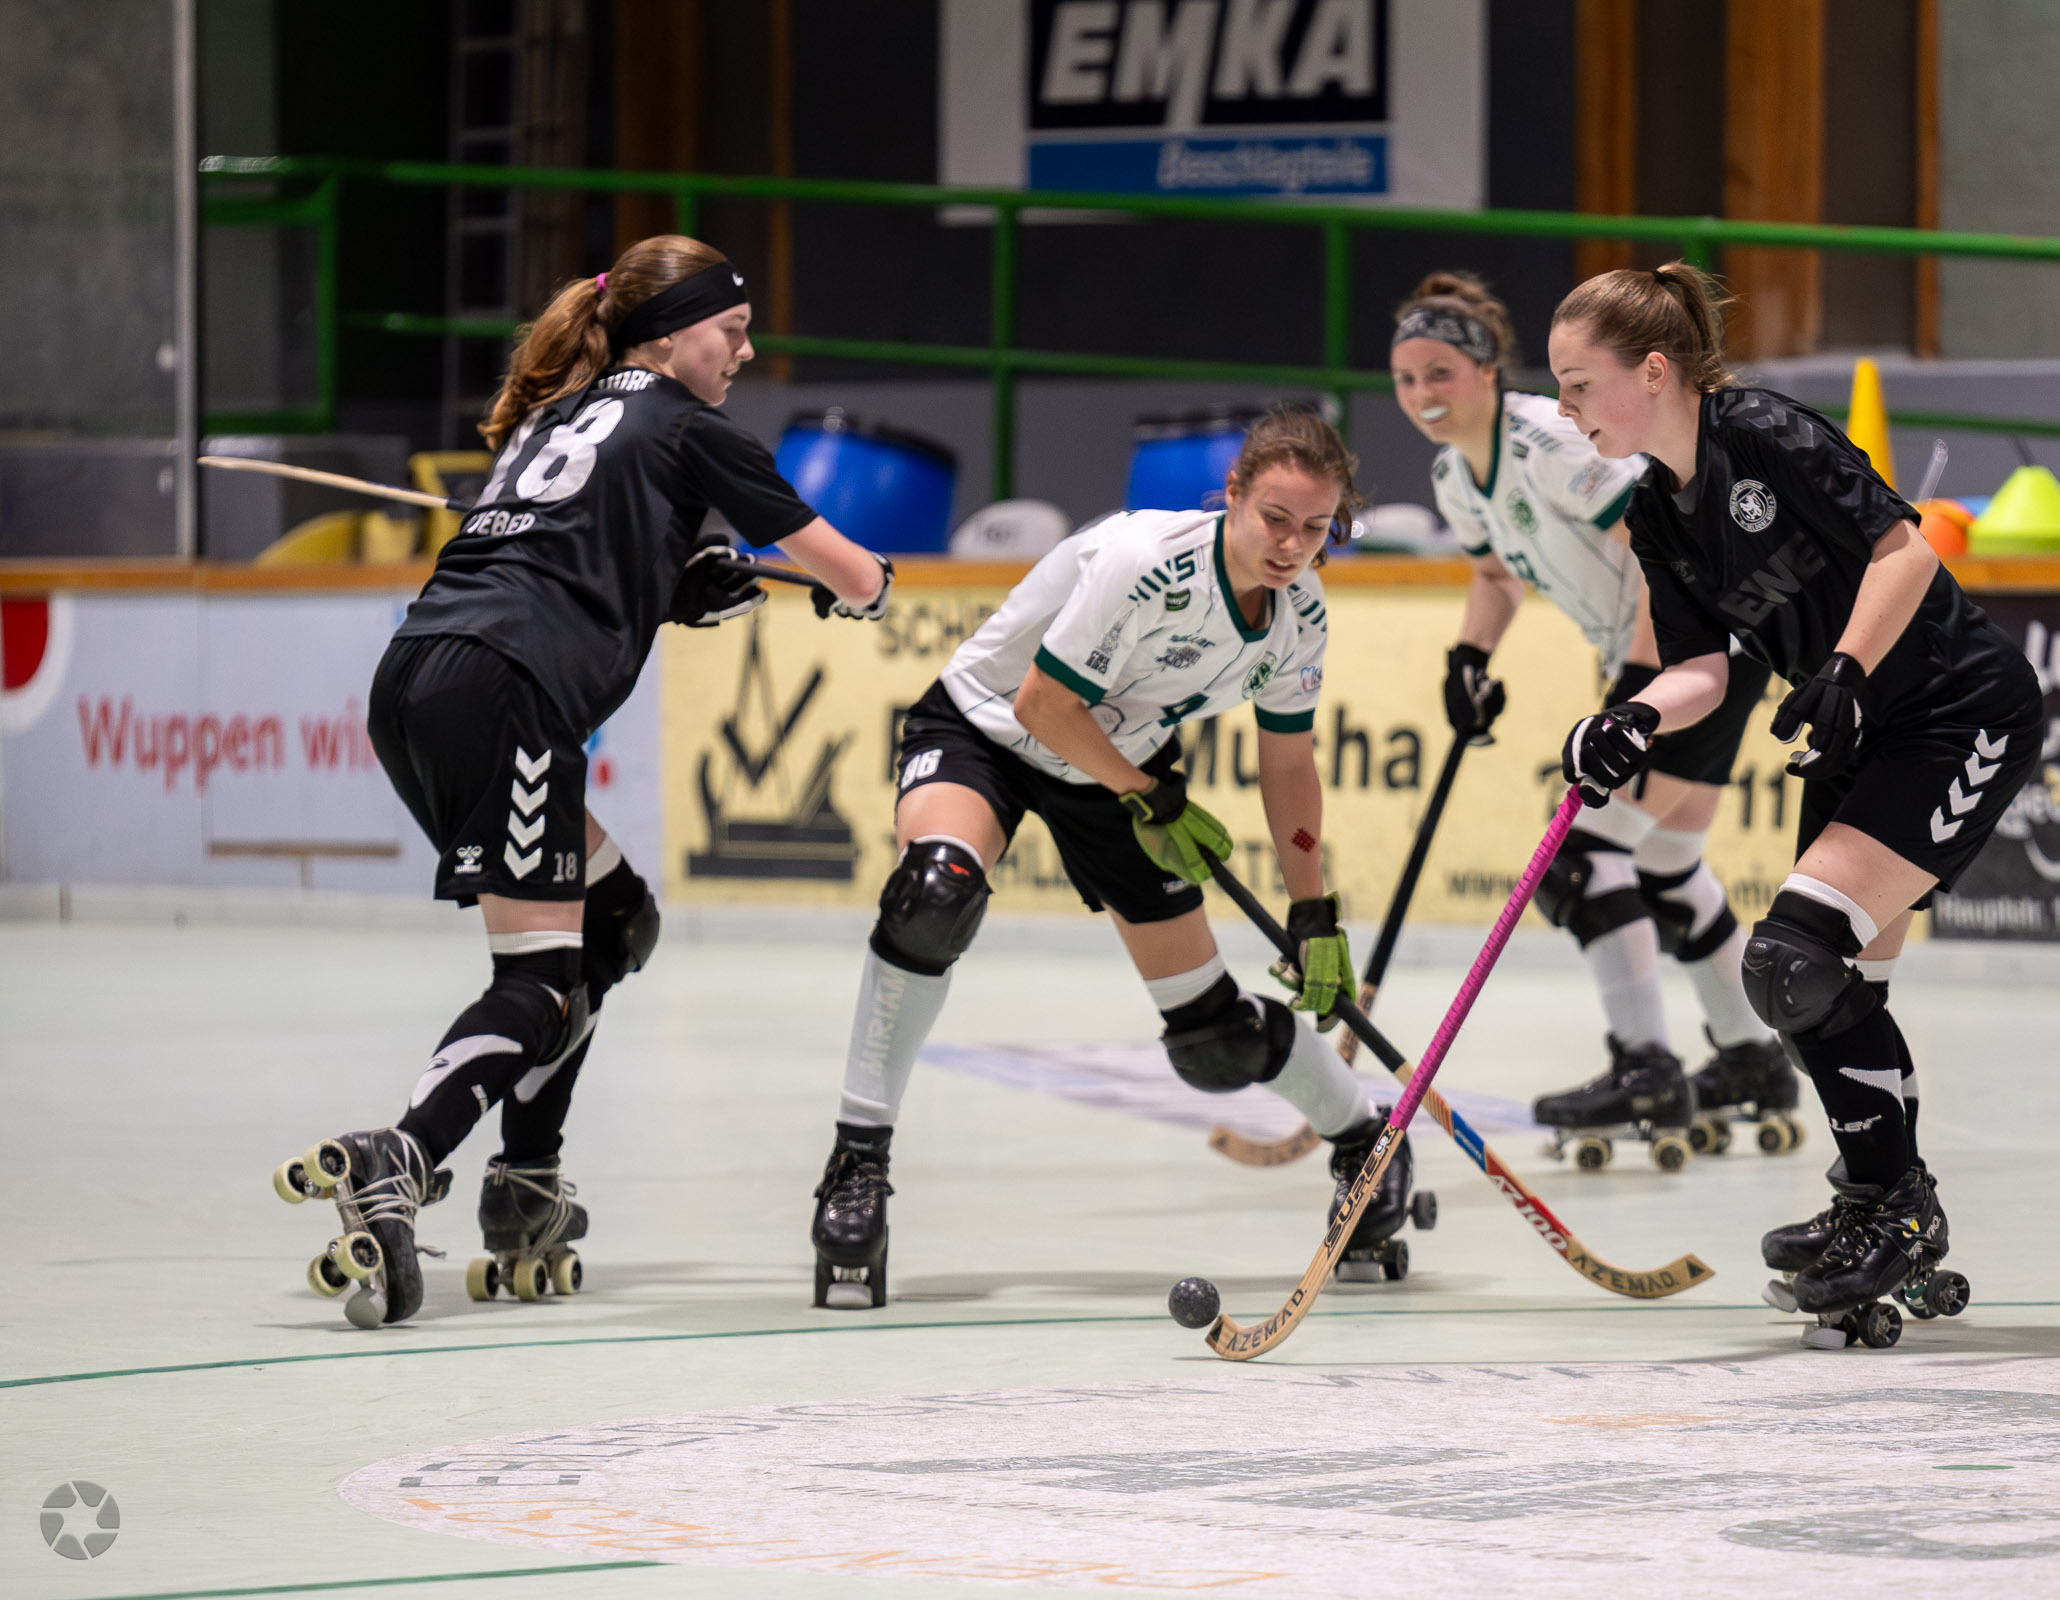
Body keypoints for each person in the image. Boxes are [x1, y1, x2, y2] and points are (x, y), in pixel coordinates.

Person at [273, 236, 891, 1329]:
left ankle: (527, 1181)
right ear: (671, 334)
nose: (746, 352)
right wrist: (870, 583)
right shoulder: (692, 426)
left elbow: (569, 554)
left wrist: (672, 586)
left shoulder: (558, 416)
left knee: (613, 924)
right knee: (538, 981)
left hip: (418, 680)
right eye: (732, 330)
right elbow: (851, 573)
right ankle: (401, 1155)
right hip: (509, 692)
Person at [808, 408, 1409, 1310]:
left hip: (1115, 768)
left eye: (1316, 527)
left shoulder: (1302, 614)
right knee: (933, 894)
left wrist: (1312, 911)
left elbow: (1288, 763)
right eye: (1275, 518)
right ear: (1232, 495)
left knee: (1214, 1041)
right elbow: (1043, 706)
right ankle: (858, 1165)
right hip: (989, 729)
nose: (1292, 545)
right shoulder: (1145, 562)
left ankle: (1368, 1144)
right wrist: (1148, 794)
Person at [1548, 263, 2043, 1341]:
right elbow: (1703, 670)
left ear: (1654, 371)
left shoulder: (1764, 433)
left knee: (1791, 960)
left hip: (1954, 711)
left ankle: (1892, 1208)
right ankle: (1883, 1202)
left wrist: (1848, 667)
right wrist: (1630, 718)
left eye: (1579, 384)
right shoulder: (1656, 512)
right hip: (1852, 736)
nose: (1566, 408)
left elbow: (1904, 549)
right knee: (1829, 983)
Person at [1389, 270, 1791, 1171]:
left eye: (1440, 373)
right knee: (1661, 865)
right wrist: (1468, 659)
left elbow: (1655, 553)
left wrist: (1641, 690)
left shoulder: (1547, 441)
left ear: (1488, 370)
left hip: (1697, 651)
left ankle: (1645, 1068)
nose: (1422, 394)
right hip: (1689, 659)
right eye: (1406, 378)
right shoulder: (1456, 475)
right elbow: (1495, 575)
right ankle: (1750, 1060)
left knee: (1580, 860)